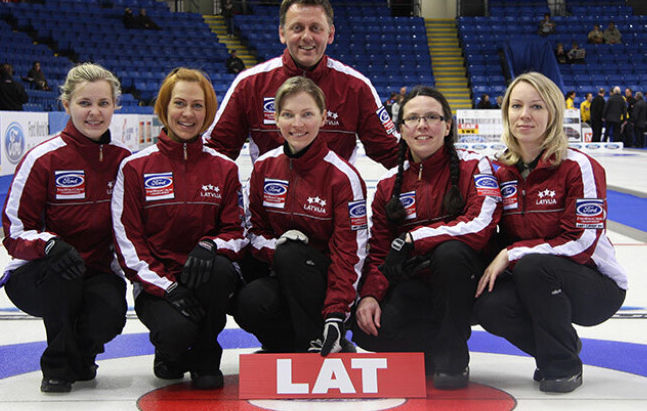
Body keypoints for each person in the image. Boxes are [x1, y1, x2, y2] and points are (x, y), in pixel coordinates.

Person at [474, 72, 627, 394]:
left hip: (594, 285)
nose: (524, 115)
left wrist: (512, 253)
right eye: (516, 106)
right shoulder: (500, 170)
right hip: (535, 280)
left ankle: (563, 366)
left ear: (553, 114)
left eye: (537, 106)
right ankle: (559, 348)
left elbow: (584, 242)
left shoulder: (578, 166)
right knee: (489, 305)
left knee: (533, 264)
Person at [352, 86, 502, 390]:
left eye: (432, 117)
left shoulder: (475, 166)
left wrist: (413, 238)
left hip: (467, 282)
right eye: (414, 118)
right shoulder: (386, 187)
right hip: (418, 284)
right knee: (368, 329)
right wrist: (369, 295)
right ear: (401, 130)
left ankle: (453, 360)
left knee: (450, 254)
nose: (423, 125)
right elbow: (380, 252)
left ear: (448, 126)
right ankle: (430, 348)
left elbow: (480, 224)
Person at [0, 63, 131, 393]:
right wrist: (49, 244)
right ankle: (58, 365)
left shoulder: (125, 160)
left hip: (98, 271)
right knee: (64, 269)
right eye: (85, 103)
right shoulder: (42, 158)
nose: (94, 112)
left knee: (111, 314)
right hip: (41, 274)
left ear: (115, 105)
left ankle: (83, 354)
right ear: (66, 105)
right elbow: (14, 229)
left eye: (103, 103)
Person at [112, 68, 246, 389]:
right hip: (158, 283)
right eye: (179, 103)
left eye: (197, 106)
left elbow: (237, 233)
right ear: (164, 108)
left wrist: (213, 246)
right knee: (174, 334)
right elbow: (127, 241)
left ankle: (205, 357)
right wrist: (167, 287)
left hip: (204, 277)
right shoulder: (135, 167)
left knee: (221, 272)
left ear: (208, 112)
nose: (188, 114)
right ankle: (170, 351)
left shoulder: (224, 168)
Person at [234, 76, 367, 355]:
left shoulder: (343, 177)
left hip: (327, 285)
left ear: (323, 118)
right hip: (281, 274)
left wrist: (336, 313)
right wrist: (278, 248)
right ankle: (283, 345)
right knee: (250, 301)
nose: (298, 124)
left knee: (294, 255)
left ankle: (322, 340)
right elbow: (253, 232)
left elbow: (350, 253)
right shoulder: (264, 167)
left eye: (307, 114)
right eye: (289, 114)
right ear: (276, 119)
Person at [204, 0, 399, 168]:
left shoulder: (356, 87)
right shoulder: (250, 84)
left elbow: (390, 152)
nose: (307, 37)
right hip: (269, 204)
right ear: (282, 33)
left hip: (334, 204)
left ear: (330, 34)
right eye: (297, 28)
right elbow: (217, 150)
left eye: (316, 28)